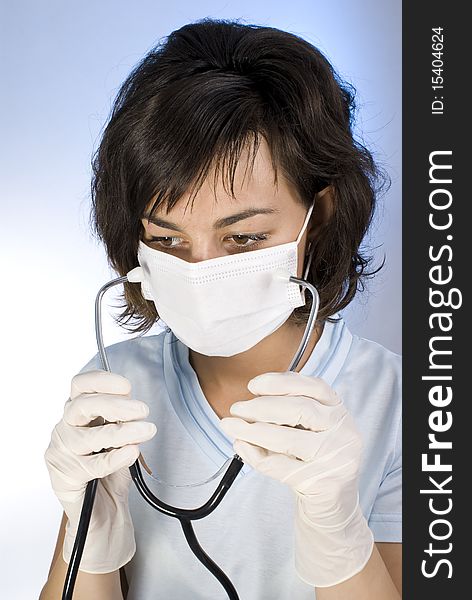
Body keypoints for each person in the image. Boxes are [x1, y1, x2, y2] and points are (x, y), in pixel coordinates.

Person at [39, 18, 402, 600]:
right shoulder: (116, 388)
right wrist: (90, 537)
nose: (201, 269)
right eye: (167, 241)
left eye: (244, 239)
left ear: (322, 214)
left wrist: (339, 534)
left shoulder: (407, 405)